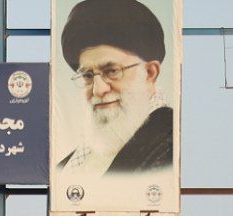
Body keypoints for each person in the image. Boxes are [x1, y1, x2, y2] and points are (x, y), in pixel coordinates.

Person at [54, 0, 173, 179]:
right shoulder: (69, 165)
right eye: (88, 75)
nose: (98, 90)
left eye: (112, 71)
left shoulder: (172, 144)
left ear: (149, 73)